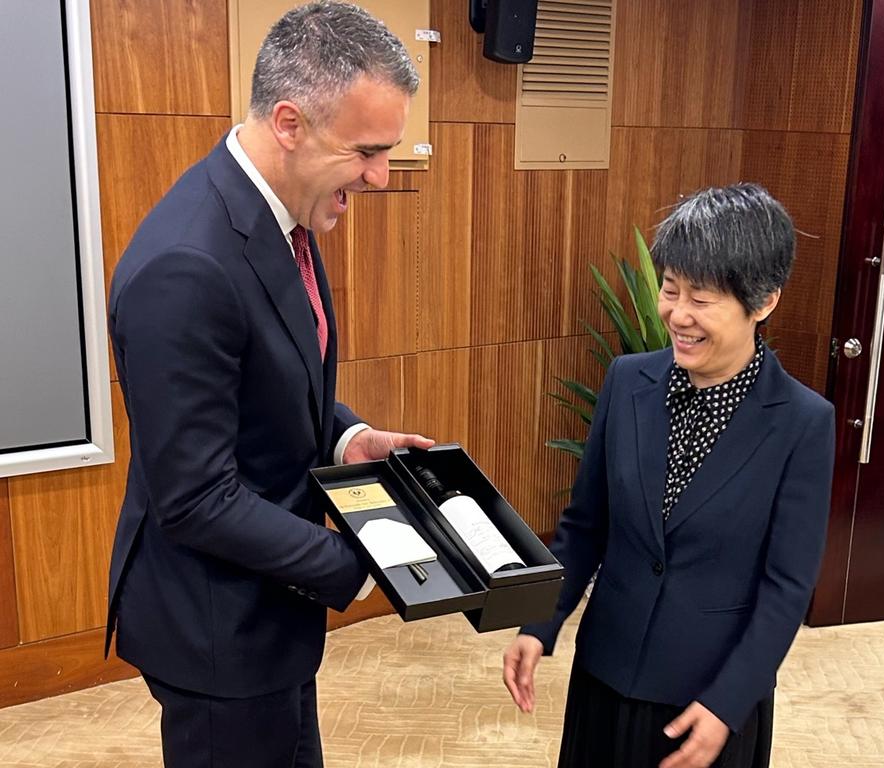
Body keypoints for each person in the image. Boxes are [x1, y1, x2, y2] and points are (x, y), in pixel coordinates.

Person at [104, 3, 432, 766]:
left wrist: (351, 437)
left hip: (267, 614)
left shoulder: (278, 211)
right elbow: (194, 499)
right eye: (369, 150)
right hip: (216, 630)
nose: (382, 176)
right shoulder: (185, 266)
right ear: (290, 123)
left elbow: (274, 380)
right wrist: (359, 564)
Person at [503, 184, 836, 768]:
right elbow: (585, 526)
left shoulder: (803, 423)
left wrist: (728, 702)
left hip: (707, 701)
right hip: (606, 674)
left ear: (763, 302)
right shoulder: (628, 381)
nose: (677, 315)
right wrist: (541, 622)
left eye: (702, 299)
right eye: (670, 289)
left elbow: (786, 588)